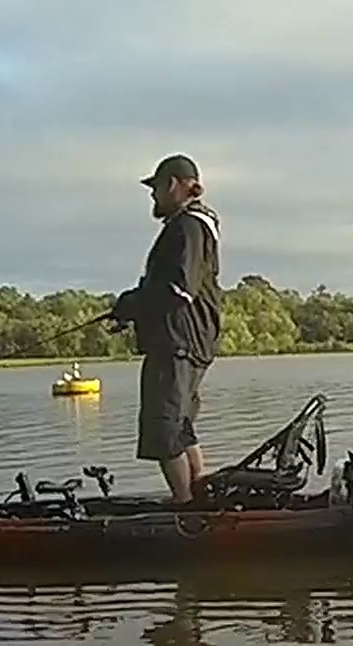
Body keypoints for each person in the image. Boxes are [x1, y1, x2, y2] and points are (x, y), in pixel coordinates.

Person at [111, 154, 222, 504]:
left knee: (163, 428)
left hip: (179, 342)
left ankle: (184, 506)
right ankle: (196, 497)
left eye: (156, 187)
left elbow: (178, 289)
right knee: (181, 426)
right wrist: (133, 313)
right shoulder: (192, 224)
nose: (153, 196)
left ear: (174, 184)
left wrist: (131, 303)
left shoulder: (187, 226)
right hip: (188, 340)